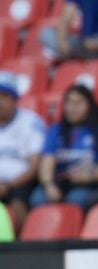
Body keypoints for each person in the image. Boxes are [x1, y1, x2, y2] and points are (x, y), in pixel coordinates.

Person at [31, 85, 98, 211]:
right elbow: (47, 162)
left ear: (89, 105)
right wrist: (49, 186)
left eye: (78, 102)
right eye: (68, 102)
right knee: (38, 198)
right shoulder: (56, 129)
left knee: (76, 200)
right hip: (60, 181)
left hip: (90, 184)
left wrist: (89, 177)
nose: (72, 108)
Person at [0, 72, 46, 231]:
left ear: (15, 100)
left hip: (20, 182)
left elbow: (34, 166)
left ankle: (21, 250)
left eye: (4, 96)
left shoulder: (30, 122)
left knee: (18, 203)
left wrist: (7, 185)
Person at [41, 0, 98, 68]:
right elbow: (65, 18)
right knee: (45, 35)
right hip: (88, 41)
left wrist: (97, 44)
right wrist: (62, 43)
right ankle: (80, 61)